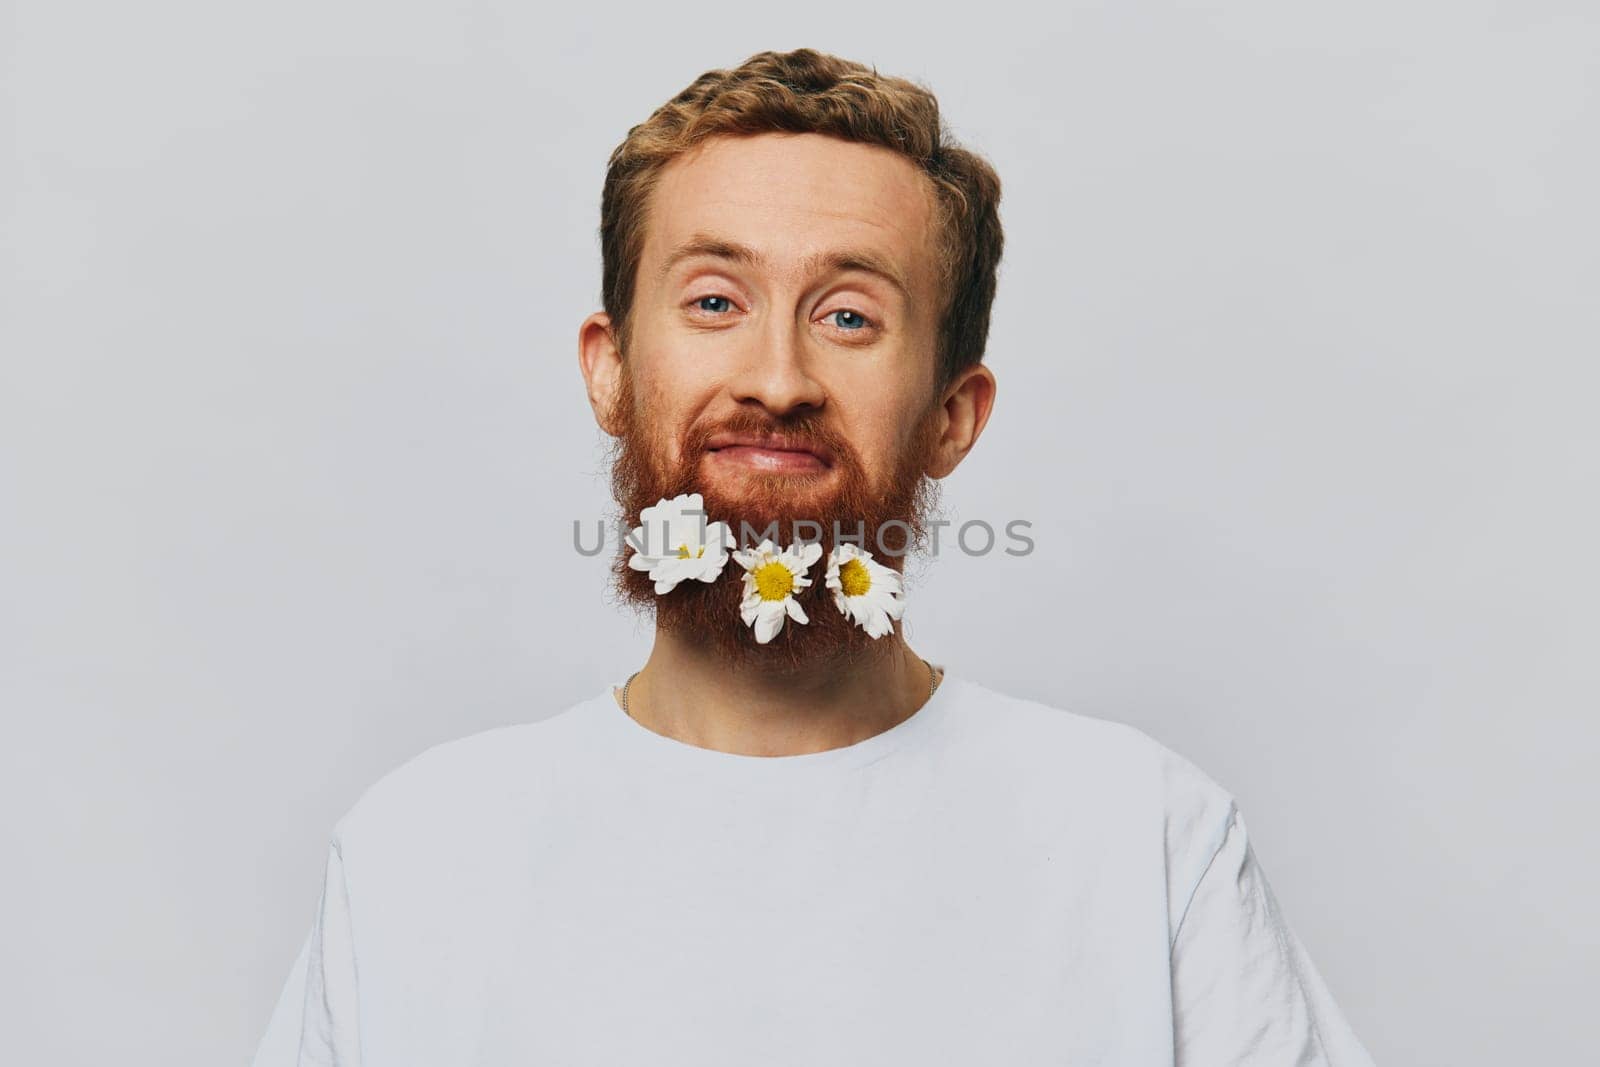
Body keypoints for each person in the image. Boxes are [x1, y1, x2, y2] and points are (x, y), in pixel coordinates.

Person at [251, 47, 1378, 1066]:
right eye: (712, 299)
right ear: (607, 369)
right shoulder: (420, 855)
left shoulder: (1147, 841)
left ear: (951, 412)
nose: (777, 378)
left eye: (846, 316)